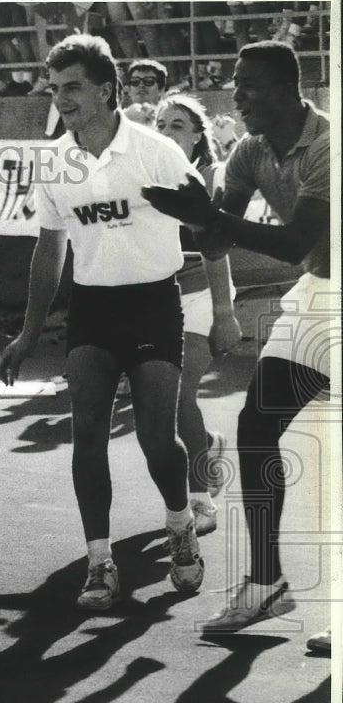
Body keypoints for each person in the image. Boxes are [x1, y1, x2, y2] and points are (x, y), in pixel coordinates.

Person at [0, 34, 205, 611]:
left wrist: (228, 306)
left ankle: (180, 521)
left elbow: (207, 224)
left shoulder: (156, 150)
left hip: (153, 304)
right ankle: (100, 563)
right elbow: (49, 250)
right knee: (86, 435)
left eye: (74, 87)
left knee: (157, 440)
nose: (61, 98)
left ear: (108, 90)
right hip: (93, 310)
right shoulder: (53, 160)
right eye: (55, 87)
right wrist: (29, 331)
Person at [142, 41, 332, 652]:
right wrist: (193, 215)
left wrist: (211, 218)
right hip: (320, 294)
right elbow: (218, 243)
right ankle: (267, 581)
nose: (236, 93)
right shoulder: (248, 151)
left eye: (248, 84)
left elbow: (294, 239)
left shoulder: (330, 145)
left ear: (287, 90)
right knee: (257, 424)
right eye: (234, 81)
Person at [154, 93, 242, 534]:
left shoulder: (209, 178)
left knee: (179, 393)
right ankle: (207, 444)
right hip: (158, 296)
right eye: (161, 125)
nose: (167, 133)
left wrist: (225, 312)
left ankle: (200, 499)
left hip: (204, 292)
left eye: (177, 126)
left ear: (196, 138)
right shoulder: (144, 180)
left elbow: (216, 251)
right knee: (162, 400)